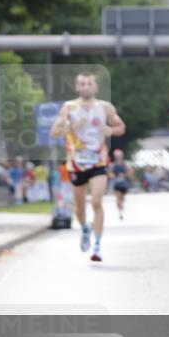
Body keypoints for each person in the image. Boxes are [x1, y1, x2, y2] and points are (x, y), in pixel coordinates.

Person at [50, 71, 126, 262]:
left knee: (97, 201)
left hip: (98, 162)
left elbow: (121, 127)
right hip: (76, 163)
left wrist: (110, 130)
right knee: (80, 206)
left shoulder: (105, 107)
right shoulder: (69, 107)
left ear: (96, 87)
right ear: (77, 87)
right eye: (82, 84)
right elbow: (55, 132)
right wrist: (71, 128)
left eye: (89, 83)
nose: (86, 87)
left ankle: (97, 246)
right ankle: (85, 228)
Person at [110, 149, 133, 220]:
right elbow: (109, 172)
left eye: (120, 156)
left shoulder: (125, 164)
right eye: (117, 156)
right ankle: (120, 212)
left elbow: (130, 172)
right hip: (116, 184)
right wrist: (113, 176)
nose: (118, 157)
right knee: (118, 198)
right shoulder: (113, 165)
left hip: (124, 184)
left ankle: (121, 210)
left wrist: (124, 175)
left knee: (122, 199)